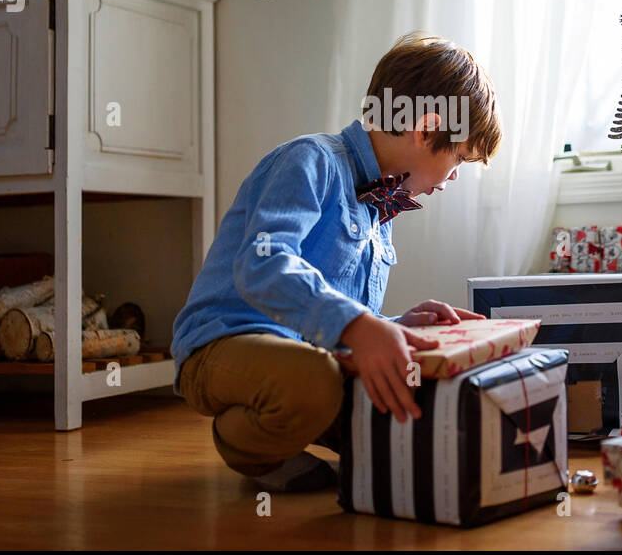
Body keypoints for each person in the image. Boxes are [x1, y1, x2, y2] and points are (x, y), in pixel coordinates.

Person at [172, 31, 503, 491]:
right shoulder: (311, 160)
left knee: (404, 402)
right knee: (315, 382)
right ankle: (242, 439)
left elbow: (334, 310)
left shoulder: (380, 201)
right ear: (426, 130)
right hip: (221, 347)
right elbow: (263, 265)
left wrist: (392, 324)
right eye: (460, 160)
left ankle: (306, 432)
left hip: (308, 355)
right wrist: (359, 328)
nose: (451, 179)